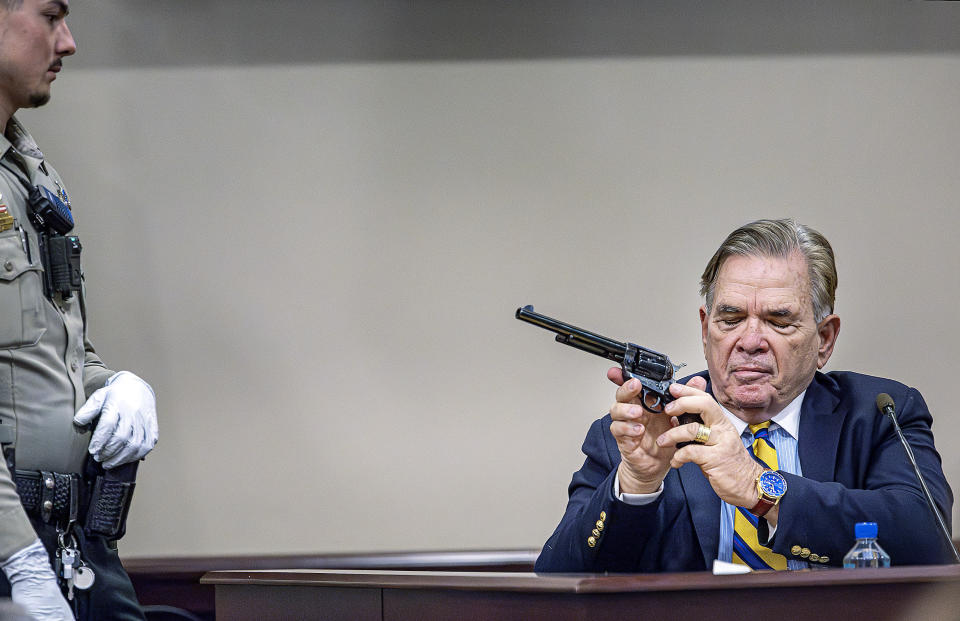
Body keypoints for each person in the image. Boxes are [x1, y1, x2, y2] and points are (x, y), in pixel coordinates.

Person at [535, 218, 954, 573]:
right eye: (731, 318)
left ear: (824, 339)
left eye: (778, 321)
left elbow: (929, 544)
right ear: (705, 329)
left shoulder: (880, 414)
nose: (750, 340)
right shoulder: (638, 433)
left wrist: (761, 488)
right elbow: (558, 581)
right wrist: (639, 483)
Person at [0, 1, 157, 619]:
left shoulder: (26, 172)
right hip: (16, 552)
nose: (68, 42)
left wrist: (113, 383)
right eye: (50, 16)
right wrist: (20, 562)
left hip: (72, 541)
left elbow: (47, 347)